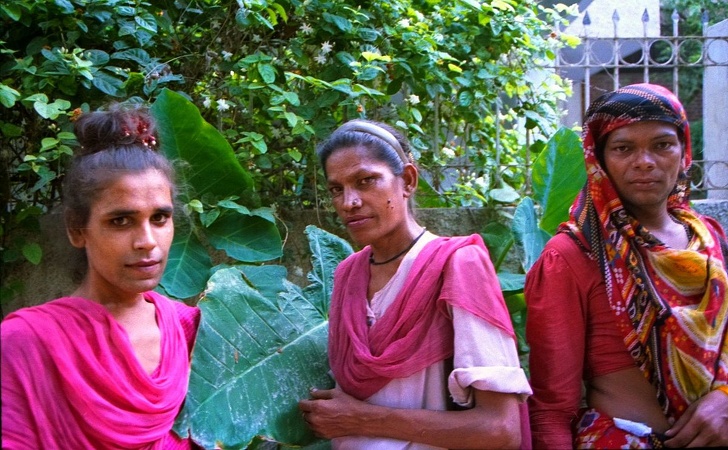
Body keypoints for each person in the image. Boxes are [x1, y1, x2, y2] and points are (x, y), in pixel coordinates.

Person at [298, 119, 532, 449]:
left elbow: (500, 429)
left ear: (407, 181)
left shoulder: (457, 264)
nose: (349, 202)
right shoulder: (347, 275)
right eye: (337, 189)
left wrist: (360, 419)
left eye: (366, 181)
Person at [525, 83, 728, 448]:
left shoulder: (711, 239)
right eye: (623, 148)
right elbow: (553, 409)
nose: (645, 162)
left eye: (662, 145)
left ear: (684, 152)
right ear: (599, 160)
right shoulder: (573, 255)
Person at [1, 104, 200, 449]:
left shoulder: (190, 330)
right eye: (120, 221)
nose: (147, 241)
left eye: (159, 218)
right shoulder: (24, 343)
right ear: (77, 229)